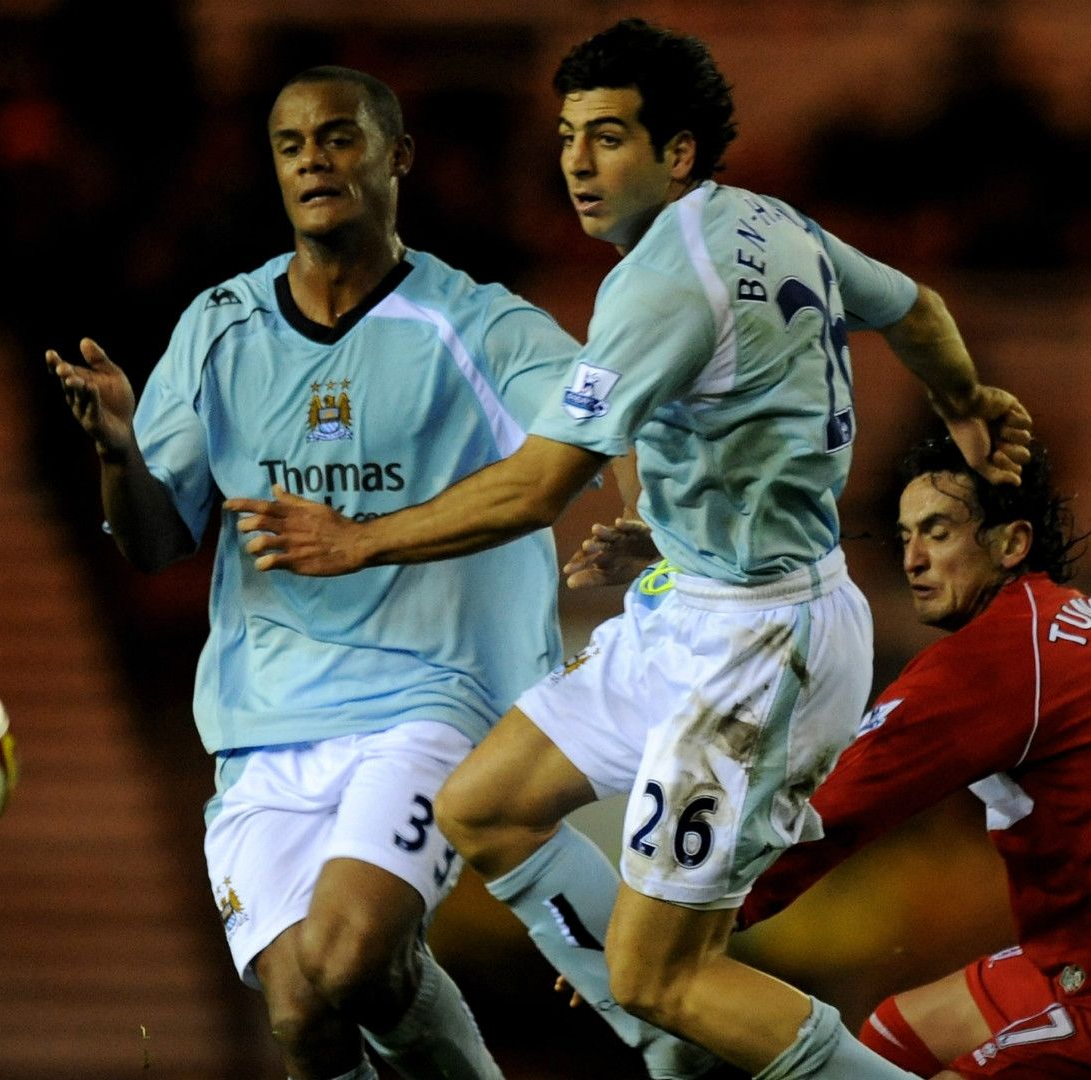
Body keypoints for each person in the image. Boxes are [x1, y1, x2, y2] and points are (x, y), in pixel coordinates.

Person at [224, 18, 1031, 1080]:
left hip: (757, 650)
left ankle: (689, 1026)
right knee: (483, 808)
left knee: (667, 973)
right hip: (694, 603)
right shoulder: (775, 225)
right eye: (567, 136)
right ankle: (669, 1042)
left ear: (679, 152)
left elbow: (535, 486)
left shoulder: (661, 283)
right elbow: (915, 308)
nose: (576, 164)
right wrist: (966, 402)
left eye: (608, 138)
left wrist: (359, 540)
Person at [45, 66, 584, 1080]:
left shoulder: (478, 325)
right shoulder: (220, 328)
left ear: (398, 157)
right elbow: (157, 542)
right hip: (263, 725)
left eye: (339, 138)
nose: (313, 162)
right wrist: (119, 449)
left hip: (431, 698)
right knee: (306, 1010)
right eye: (292, 146)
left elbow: (586, 427)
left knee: (352, 952)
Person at [727, 438, 1091, 1078]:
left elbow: (831, 813)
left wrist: (694, 912)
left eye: (939, 533)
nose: (914, 560)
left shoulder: (997, 658)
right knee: (891, 1039)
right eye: (905, 537)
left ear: (1010, 544)